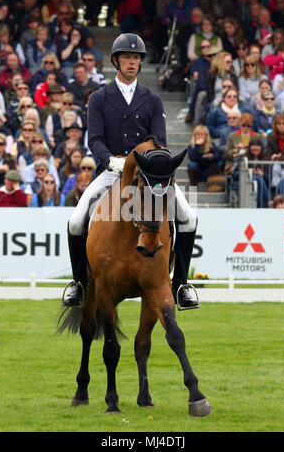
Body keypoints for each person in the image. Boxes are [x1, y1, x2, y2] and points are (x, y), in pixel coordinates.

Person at [62, 32, 199, 311]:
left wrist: (142, 161)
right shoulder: (99, 98)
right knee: (76, 221)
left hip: (146, 174)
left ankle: (181, 284)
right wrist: (111, 160)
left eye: (136, 58)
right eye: (127, 56)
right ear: (116, 61)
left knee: (189, 217)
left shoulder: (152, 100)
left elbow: (160, 140)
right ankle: (79, 283)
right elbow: (94, 139)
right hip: (111, 170)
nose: (132, 62)